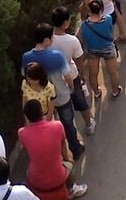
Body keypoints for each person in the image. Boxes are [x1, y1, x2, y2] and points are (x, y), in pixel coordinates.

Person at [23, 25, 84, 158]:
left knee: (48, 128)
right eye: (51, 38)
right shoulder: (57, 56)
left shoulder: (26, 57)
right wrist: (72, 89)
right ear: (45, 40)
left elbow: (25, 76)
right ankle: (75, 149)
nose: (52, 40)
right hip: (61, 95)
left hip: (41, 102)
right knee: (68, 124)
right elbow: (68, 76)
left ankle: (57, 155)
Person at [19, 100, 88, 199]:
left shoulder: (22, 133)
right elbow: (63, 147)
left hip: (35, 180)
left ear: (26, 116)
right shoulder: (57, 126)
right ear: (42, 111)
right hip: (59, 176)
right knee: (70, 164)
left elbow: (26, 149)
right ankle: (71, 189)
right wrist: (68, 160)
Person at [50, 7, 95, 134]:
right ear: (65, 23)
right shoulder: (72, 40)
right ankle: (89, 125)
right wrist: (82, 74)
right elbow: (79, 59)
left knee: (63, 108)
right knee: (80, 101)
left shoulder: (47, 40)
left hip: (55, 79)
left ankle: (68, 131)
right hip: (72, 75)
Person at [79, 0, 122, 100]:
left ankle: (97, 93)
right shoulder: (108, 18)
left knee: (93, 74)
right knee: (113, 72)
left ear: (89, 10)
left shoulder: (84, 24)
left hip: (93, 50)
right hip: (108, 48)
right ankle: (115, 90)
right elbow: (110, 33)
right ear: (101, 9)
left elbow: (83, 38)